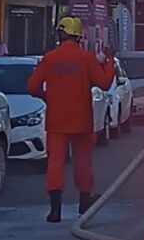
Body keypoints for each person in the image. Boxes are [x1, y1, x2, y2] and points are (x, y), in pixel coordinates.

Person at [27, 15, 115, 224]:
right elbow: (104, 83)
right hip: (81, 119)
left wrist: (47, 97)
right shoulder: (86, 58)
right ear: (78, 36)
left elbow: (32, 87)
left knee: (55, 162)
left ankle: (55, 211)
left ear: (61, 34)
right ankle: (84, 203)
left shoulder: (50, 58)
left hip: (57, 119)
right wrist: (110, 62)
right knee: (82, 161)